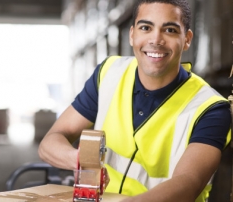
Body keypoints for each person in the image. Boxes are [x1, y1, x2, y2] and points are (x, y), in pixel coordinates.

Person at [38, 0, 232, 201]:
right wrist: (79, 159)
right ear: (132, 35)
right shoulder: (109, 74)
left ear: (187, 39)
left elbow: (188, 182)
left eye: (170, 30)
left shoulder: (210, 108)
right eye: (146, 28)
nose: (156, 39)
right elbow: (50, 142)